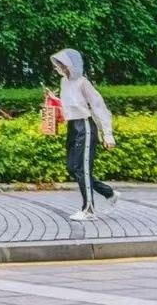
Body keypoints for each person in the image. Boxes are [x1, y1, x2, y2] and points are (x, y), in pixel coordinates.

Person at [52, 48, 115, 220]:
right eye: (60, 64)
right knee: (73, 168)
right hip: (73, 126)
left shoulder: (82, 82)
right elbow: (70, 104)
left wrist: (108, 134)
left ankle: (88, 210)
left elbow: (99, 106)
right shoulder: (64, 82)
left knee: (83, 169)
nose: (61, 67)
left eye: (64, 64)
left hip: (86, 125)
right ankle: (108, 192)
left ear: (72, 65)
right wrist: (54, 100)